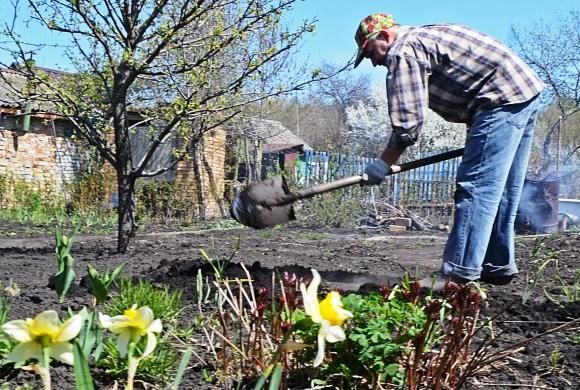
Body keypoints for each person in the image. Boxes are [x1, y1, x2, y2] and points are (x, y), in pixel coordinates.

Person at [354, 13, 544, 290]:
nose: (373, 61)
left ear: (384, 37)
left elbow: (408, 125)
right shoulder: (427, 35)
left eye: (370, 52)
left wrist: (383, 164)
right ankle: (497, 266)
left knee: (476, 189)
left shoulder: (402, 51)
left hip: (498, 102)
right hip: (522, 92)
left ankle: (457, 275)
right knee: (501, 190)